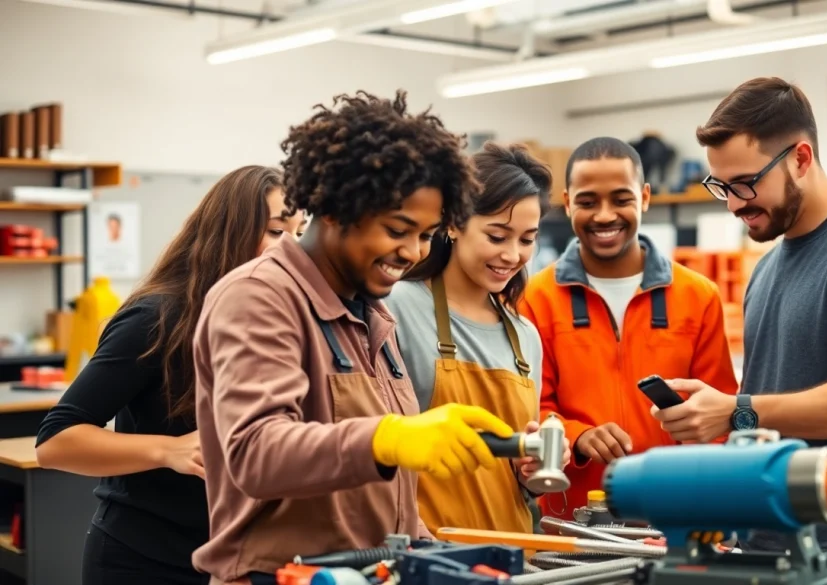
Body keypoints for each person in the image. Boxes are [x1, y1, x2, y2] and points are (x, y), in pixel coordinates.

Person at [190, 90, 517, 585]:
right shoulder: (258, 296)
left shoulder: (371, 313)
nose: (413, 252)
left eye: (426, 235)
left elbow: (382, 499)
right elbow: (255, 452)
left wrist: (432, 552)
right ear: (335, 209)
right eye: (398, 229)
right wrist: (388, 437)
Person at [652, 76, 827, 556]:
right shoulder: (767, 268)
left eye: (746, 183)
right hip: (766, 535)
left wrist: (736, 410)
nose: (734, 203)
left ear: (801, 159)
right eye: (721, 186)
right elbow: (772, 406)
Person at [34, 165, 307, 585]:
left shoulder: (275, 320)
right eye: (275, 231)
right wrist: (168, 450)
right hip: (145, 561)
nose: (292, 248)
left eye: (300, 232)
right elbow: (56, 442)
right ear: (230, 230)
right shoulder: (157, 317)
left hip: (235, 560)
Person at [519, 137, 739, 521]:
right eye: (588, 202)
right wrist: (578, 436)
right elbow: (532, 407)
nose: (605, 216)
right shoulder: (536, 298)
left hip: (675, 518)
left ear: (645, 197)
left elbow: (720, 416)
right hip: (574, 525)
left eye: (621, 199)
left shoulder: (698, 296)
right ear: (567, 203)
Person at [386, 141, 570, 536]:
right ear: (453, 223)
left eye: (526, 240)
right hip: (427, 552)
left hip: (513, 553)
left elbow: (514, 480)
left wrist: (532, 470)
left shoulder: (525, 337)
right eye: (497, 236)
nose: (513, 255)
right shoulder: (396, 308)